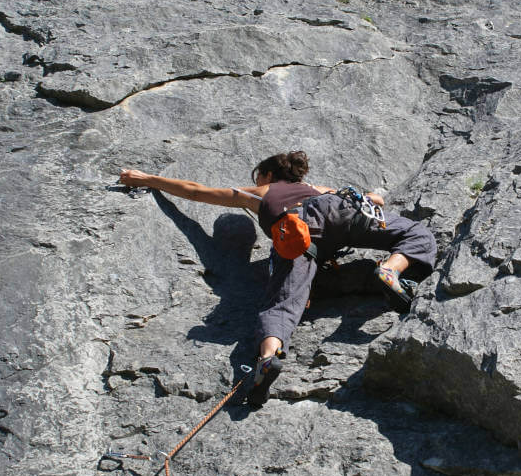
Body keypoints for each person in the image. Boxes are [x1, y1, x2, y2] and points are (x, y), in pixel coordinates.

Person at [119, 151, 437, 408]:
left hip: (296, 233)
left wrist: (149, 179)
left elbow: (197, 192)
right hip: (338, 208)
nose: (255, 181)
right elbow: (375, 202)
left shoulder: (259, 193)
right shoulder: (318, 187)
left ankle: (269, 358)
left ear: (269, 175)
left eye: (258, 175)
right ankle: (392, 270)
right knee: (417, 234)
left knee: (282, 305)